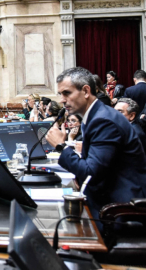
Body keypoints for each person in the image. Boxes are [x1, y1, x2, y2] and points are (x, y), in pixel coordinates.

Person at [45, 67, 146, 229]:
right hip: (109, 199)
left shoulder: (103, 120)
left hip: (119, 210)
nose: (62, 100)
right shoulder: (97, 115)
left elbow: (91, 172)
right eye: (61, 95)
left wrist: (61, 146)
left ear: (85, 91)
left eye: (67, 93)